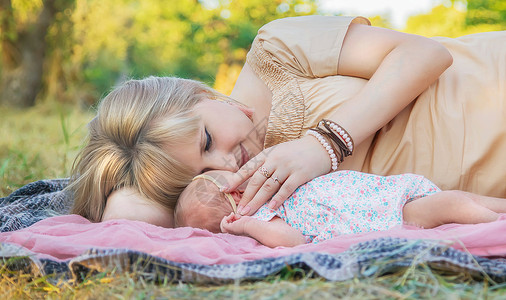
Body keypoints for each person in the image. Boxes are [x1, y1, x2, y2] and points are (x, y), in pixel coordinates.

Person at [68, 15, 506, 227]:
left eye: (206, 140)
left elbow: (425, 54)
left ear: (198, 94)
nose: (225, 162)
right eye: (204, 171)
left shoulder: (275, 52)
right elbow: (129, 222)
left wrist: (325, 143)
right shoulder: (256, 202)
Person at [174, 170, 506, 247]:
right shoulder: (259, 215)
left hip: (388, 194)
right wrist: (246, 226)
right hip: (387, 214)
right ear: (235, 203)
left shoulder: (274, 183)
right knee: (454, 203)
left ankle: (499, 211)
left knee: (461, 198)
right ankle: (496, 226)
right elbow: (291, 240)